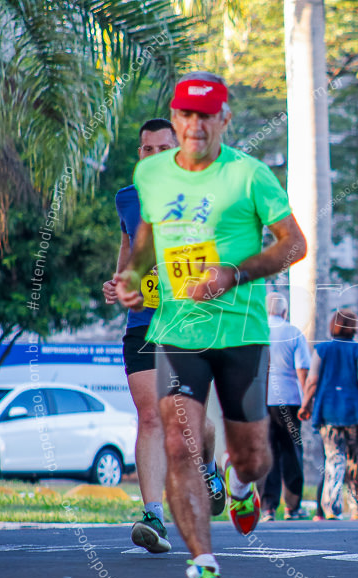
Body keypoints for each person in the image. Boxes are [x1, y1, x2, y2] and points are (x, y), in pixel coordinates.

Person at [114, 71, 306, 578]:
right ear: (176, 120)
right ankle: (204, 568)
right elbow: (146, 243)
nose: (195, 126)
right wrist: (131, 280)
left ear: (224, 119)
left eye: (206, 116)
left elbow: (295, 246)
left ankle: (241, 488)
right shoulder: (153, 176)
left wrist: (234, 273)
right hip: (179, 331)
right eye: (186, 115)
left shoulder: (250, 176)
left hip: (242, 330)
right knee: (179, 442)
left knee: (253, 457)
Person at [101, 119, 224, 554]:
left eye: (162, 149)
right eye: (146, 150)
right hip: (143, 323)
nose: (153, 157)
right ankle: (153, 515)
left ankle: (209, 466)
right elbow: (128, 247)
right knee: (151, 416)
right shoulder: (127, 199)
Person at [297, 309, 358, 520]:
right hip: (357, 414)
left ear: (332, 326)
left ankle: (331, 507)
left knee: (334, 459)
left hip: (329, 413)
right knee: (356, 458)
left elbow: (312, 381)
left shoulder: (322, 349)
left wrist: (306, 404)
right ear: (354, 328)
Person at [262, 293, 311, 522]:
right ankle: (293, 507)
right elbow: (303, 369)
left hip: (263, 400)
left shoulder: (257, 331)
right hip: (290, 401)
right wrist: (307, 399)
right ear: (284, 311)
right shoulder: (294, 332)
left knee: (268, 452)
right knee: (292, 452)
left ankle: (268, 508)